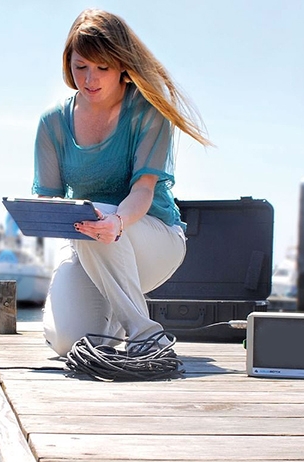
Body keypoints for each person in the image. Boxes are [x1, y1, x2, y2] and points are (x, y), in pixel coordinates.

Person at [32, 8, 212, 356]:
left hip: (153, 239)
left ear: (122, 67)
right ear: (68, 62)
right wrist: (37, 212)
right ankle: (115, 320)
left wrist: (116, 222)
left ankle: (146, 336)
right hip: (87, 242)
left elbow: (143, 190)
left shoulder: (148, 112)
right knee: (70, 342)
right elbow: (49, 199)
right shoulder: (52, 123)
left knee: (96, 216)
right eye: (81, 65)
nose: (90, 79)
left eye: (103, 68)